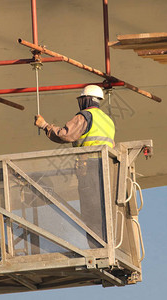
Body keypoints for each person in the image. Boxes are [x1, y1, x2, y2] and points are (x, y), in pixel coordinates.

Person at [34, 85, 115, 248]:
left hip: (90, 169)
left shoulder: (85, 116)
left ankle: (96, 249)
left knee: (91, 212)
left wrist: (44, 126)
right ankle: (108, 245)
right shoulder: (107, 120)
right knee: (104, 211)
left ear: (85, 99)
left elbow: (66, 135)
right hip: (107, 169)